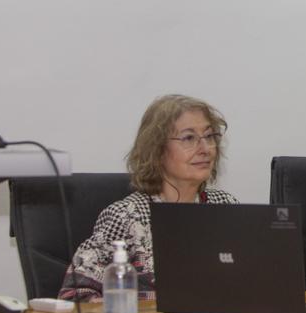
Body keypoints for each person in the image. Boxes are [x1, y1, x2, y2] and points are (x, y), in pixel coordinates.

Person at [59, 95, 238, 302]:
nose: (205, 148)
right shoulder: (127, 217)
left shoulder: (226, 206)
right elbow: (75, 295)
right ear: (157, 150)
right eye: (189, 138)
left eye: (209, 136)